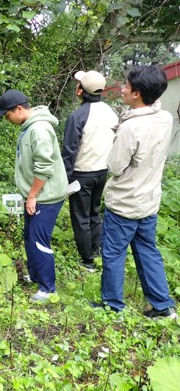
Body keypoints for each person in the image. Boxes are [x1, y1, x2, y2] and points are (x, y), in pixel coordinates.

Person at [94, 65, 177, 319]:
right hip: (148, 200)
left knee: (113, 253)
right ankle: (163, 306)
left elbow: (116, 166)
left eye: (127, 86)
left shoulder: (131, 127)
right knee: (147, 250)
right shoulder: (164, 118)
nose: (123, 89)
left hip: (125, 202)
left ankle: (112, 305)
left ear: (137, 94)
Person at [0, 89, 68, 302]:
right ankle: (35, 275)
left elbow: (44, 166)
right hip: (36, 195)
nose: (8, 120)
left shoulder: (39, 129)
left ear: (19, 109)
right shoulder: (29, 128)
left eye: (7, 115)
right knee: (30, 237)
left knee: (39, 241)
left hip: (46, 196)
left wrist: (33, 195)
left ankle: (48, 288)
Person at [61, 71, 118, 272]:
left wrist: (64, 180)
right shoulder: (111, 112)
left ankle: (87, 261)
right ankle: (97, 251)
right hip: (102, 172)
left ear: (80, 91)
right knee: (94, 213)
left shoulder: (78, 116)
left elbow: (69, 151)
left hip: (81, 174)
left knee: (80, 217)